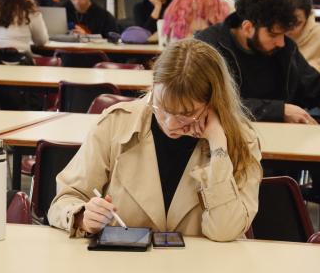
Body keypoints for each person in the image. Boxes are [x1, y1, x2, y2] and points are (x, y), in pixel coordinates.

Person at [48, 38, 262, 242]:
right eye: (162, 107)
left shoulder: (242, 141)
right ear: (153, 86)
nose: (169, 123)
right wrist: (82, 217)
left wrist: (217, 145)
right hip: (124, 268)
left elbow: (224, 231)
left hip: (201, 272)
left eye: (186, 113)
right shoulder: (116, 123)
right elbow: (63, 201)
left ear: (213, 102)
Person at [195, 0, 320, 124]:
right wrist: (279, 111)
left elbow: (312, 86)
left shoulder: (285, 48)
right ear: (248, 28)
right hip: (227, 135)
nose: (281, 43)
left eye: (284, 34)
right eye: (273, 35)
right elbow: (210, 103)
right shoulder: (209, 46)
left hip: (282, 135)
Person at [285, 0, 320, 72]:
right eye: (285, 22)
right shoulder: (275, 34)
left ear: (308, 17)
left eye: (297, 23)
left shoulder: (317, 35)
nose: (289, 29)